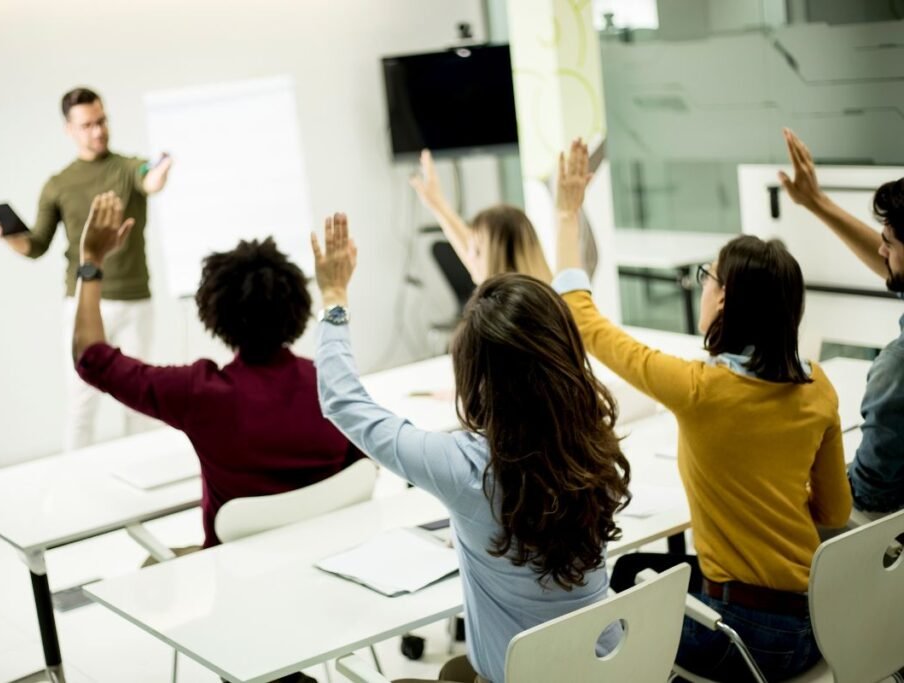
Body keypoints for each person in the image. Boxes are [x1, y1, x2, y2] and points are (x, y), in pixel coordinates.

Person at [553, 139, 852, 681]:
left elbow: (585, 321)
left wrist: (566, 214)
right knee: (644, 570)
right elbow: (833, 513)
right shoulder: (818, 385)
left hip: (742, 640)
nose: (703, 288)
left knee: (619, 590)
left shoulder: (699, 389)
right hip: (818, 624)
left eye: (707, 278)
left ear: (727, 299)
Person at [311, 213, 630, 683]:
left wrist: (334, 299)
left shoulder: (466, 469)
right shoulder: (595, 441)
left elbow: (343, 401)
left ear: (476, 377)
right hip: (607, 670)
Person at [72, 192, 361, 556]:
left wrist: (91, 261)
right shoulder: (333, 383)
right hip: (328, 566)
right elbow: (360, 471)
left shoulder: (201, 393)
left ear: (215, 314)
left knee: (152, 566)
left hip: (235, 576)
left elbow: (91, 358)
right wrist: (336, 291)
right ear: (299, 306)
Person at [0, 87, 173, 450]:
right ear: (69, 129)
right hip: (84, 303)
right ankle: (75, 478)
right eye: (87, 125)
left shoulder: (128, 167)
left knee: (139, 403)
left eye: (102, 121)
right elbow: (35, 246)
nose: (98, 131)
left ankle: (139, 472)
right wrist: (5, 234)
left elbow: (150, 179)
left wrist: (161, 168)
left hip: (134, 303)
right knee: (81, 401)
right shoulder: (58, 185)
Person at [779, 128, 904, 517]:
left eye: (890, 242)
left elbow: (869, 492)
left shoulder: (896, 368)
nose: (881, 250)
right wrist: (816, 202)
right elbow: (889, 263)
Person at [409, 149, 552, 283]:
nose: (468, 257)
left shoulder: (501, 307)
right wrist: (437, 205)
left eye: (477, 252)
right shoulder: (546, 295)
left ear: (502, 264)